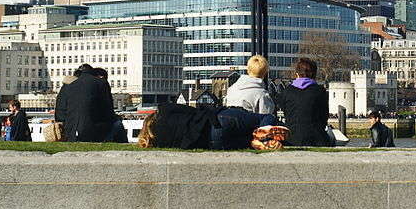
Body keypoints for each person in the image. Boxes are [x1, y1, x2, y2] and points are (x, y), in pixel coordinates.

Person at [137, 103, 277, 150]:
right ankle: (265, 133)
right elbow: (192, 111)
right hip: (217, 121)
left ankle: (257, 142)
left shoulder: (159, 141)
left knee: (247, 140)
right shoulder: (164, 110)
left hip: (213, 143)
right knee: (265, 118)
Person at [277, 58, 331, 147]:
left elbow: (287, 113)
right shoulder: (320, 91)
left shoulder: (287, 91)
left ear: (297, 74)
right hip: (316, 138)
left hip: (292, 138)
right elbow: (324, 117)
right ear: (314, 74)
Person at [54, 64, 113, 142]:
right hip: (94, 130)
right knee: (118, 125)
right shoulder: (101, 83)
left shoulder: (68, 86)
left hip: (70, 132)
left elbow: (60, 112)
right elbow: (107, 109)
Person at [91, 68, 127, 143]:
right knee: (118, 124)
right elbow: (107, 109)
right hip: (98, 124)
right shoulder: (102, 86)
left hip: (90, 124)